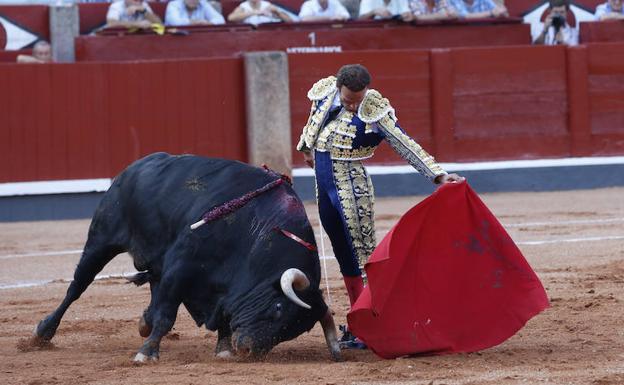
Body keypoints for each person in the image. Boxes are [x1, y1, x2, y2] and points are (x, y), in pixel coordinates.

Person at [296, 64, 464, 347]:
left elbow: (403, 142)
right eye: (348, 99)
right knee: (342, 251)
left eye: (357, 100)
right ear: (339, 88)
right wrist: (306, 148)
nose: (352, 105)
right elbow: (314, 120)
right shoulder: (326, 93)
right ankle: (359, 324)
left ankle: (376, 321)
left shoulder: (374, 109)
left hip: (352, 184)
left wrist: (437, 174)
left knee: (364, 255)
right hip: (323, 183)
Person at [227, 0, 294, 25]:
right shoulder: (243, 6)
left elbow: (290, 21)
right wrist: (255, 13)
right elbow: (231, 18)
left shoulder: (267, 5)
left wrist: (277, 12)